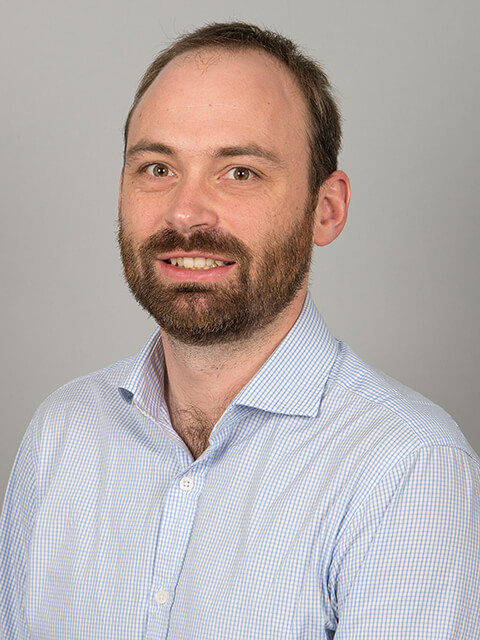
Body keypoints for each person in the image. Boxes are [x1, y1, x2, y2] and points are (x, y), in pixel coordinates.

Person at [1, 21, 479, 640]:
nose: (185, 213)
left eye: (241, 172)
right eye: (156, 167)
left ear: (325, 209)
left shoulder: (409, 470)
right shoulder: (60, 437)